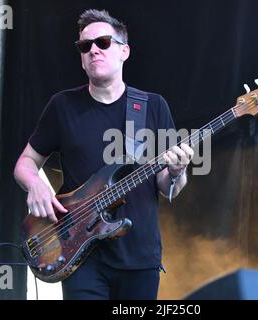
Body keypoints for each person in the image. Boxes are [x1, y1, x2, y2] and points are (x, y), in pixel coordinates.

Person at [14, 9, 194, 300]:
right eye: (85, 46)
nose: (93, 50)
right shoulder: (63, 106)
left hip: (139, 255)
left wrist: (177, 172)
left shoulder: (153, 106)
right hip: (79, 253)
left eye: (103, 43)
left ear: (124, 51)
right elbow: (25, 162)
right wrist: (35, 184)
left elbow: (167, 186)